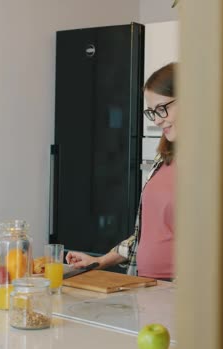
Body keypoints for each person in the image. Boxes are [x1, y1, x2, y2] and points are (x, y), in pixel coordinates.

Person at [66, 63, 177, 281]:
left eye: (162, 108)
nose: (156, 120)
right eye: (152, 112)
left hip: (182, 294)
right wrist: (99, 261)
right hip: (144, 284)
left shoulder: (214, 165)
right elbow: (144, 235)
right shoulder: (162, 158)